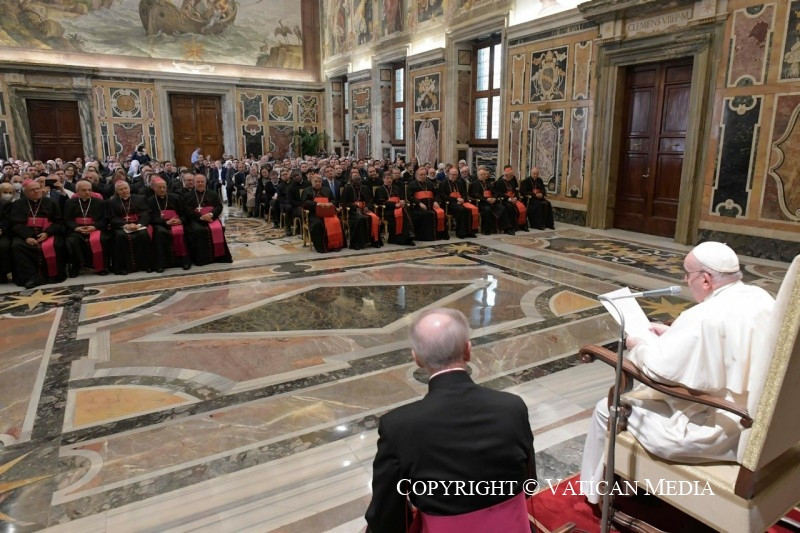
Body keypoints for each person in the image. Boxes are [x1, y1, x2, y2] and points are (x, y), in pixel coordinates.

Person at [579, 242, 776, 505]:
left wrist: (639, 344)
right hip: (761, 419)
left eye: (687, 274)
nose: (685, 280)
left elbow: (659, 371)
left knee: (606, 409)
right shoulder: (761, 297)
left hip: (717, 429)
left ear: (705, 279)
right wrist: (673, 334)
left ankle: (596, 494)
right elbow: (727, 347)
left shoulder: (704, 315)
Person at [365, 308, 536, 532]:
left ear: (417, 358)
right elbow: (529, 482)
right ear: (468, 350)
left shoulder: (398, 426)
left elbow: (387, 515)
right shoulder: (512, 407)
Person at [9, 180, 67, 288]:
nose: (36, 191)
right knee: (17, 246)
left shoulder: (51, 203)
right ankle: (30, 278)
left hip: (47, 233)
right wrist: (27, 237)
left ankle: (52, 276)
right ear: (26, 192)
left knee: (56, 244)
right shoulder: (18, 204)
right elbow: (15, 224)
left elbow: (58, 222)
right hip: (25, 235)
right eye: (32, 190)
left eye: (38, 188)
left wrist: (47, 233)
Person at [64, 180, 110, 276]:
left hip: (94, 229)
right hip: (77, 230)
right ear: (77, 191)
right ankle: (76, 267)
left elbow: (104, 219)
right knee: (72, 240)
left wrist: (94, 227)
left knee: (101, 239)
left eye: (89, 190)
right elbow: (67, 220)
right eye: (84, 190)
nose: (87, 192)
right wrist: (76, 228)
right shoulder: (69, 203)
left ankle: (101, 267)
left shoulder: (100, 203)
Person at [183, 174, 232, 265]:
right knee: (198, 230)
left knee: (218, 228)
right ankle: (202, 259)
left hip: (211, 218)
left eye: (202, 182)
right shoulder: (187, 196)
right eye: (198, 182)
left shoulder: (213, 194)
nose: (200, 183)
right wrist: (200, 217)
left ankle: (219, 257)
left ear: (206, 183)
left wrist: (211, 214)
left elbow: (219, 206)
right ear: (194, 183)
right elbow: (186, 209)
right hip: (195, 219)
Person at [108, 181, 153, 275]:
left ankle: (147, 265)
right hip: (121, 226)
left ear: (129, 188)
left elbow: (146, 213)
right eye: (121, 189)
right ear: (117, 191)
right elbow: (112, 217)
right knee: (120, 236)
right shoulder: (112, 202)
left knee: (143, 234)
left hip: (138, 225)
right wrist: (125, 225)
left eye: (126, 188)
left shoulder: (140, 198)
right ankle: (123, 267)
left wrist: (139, 225)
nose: (124, 191)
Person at [148, 178, 191, 272]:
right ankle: (161, 263)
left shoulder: (175, 198)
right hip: (161, 224)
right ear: (154, 188)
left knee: (182, 232)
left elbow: (185, 213)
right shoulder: (150, 201)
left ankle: (184, 261)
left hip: (177, 223)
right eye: (159, 187)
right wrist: (165, 222)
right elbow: (150, 217)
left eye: (164, 187)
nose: (162, 189)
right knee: (160, 233)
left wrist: (180, 220)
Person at [301, 174, 345, 253]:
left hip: (327, 212)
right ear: (311, 182)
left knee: (336, 222)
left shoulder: (327, 190)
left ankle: (335, 245)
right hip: (314, 213)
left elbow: (334, 200)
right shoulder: (307, 191)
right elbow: (304, 203)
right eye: (315, 181)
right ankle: (322, 247)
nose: (318, 183)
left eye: (319, 181)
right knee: (318, 224)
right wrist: (317, 204)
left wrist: (330, 203)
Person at [340, 169, 383, 250]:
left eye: (360, 180)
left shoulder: (364, 188)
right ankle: (357, 243)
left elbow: (370, 201)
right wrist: (355, 207)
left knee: (375, 218)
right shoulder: (347, 188)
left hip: (365, 210)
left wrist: (367, 207)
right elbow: (343, 203)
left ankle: (375, 241)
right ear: (352, 181)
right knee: (360, 219)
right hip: (352, 212)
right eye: (356, 180)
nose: (359, 182)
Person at [373, 172, 415, 246]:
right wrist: (395, 205)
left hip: (398, 208)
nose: (389, 180)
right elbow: (381, 202)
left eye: (390, 178)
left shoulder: (396, 188)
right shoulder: (379, 189)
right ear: (383, 179)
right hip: (387, 210)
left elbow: (401, 197)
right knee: (403, 212)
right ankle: (402, 238)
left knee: (406, 210)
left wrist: (402, 201)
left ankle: (407, 236)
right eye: (387, 178)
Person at [407, 166, 447, 241]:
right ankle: (427, 237)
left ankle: (439, 235)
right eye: (421, 175)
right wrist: (419, 203)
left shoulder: (430, 184)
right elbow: (410, 197)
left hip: (431, 205)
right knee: (427, 214)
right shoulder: (412, 184)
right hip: (417, 207)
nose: (423, 176)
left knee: (441, 212)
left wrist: (435, 201)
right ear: (416, 176)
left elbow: (436, 194)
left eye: (424, 174)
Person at [439, 167, 478, 239]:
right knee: (462, 210)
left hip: (461, 202)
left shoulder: (460, 182)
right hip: (449, 204)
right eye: (452, 174)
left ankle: (470, 232)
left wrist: (463, 199)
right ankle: (461, 233)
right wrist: (456, 199)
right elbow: (443, 196)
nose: (454, 176)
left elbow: (464, 194)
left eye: (456, 175)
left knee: (471, 209)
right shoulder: (443, 183)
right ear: (448, 174)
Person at [469, 167, 510, 235]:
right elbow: (475, 195)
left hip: (491, 202)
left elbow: (495, 193)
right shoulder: (474, 184)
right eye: (481, 175)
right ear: (478, 175)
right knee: (487, 210)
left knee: (502, 208)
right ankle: (487, 230)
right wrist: (486, 199)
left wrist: (494, 198)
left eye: (484, 174)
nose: (483, 176)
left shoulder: (489, 183)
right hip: (481, 203)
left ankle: (505, 228)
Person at [493, 165, 528, 235]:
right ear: (506, 175)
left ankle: (521, 225)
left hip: (513, 199)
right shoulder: (499, 182)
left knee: (522, 207)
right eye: (511, 176)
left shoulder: (511, 181)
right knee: (510, 207)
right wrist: (509, 199)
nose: (512, 177)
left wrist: (516, 197)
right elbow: (498, 193)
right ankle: (509, 227)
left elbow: (515, 191)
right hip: (504, 201)